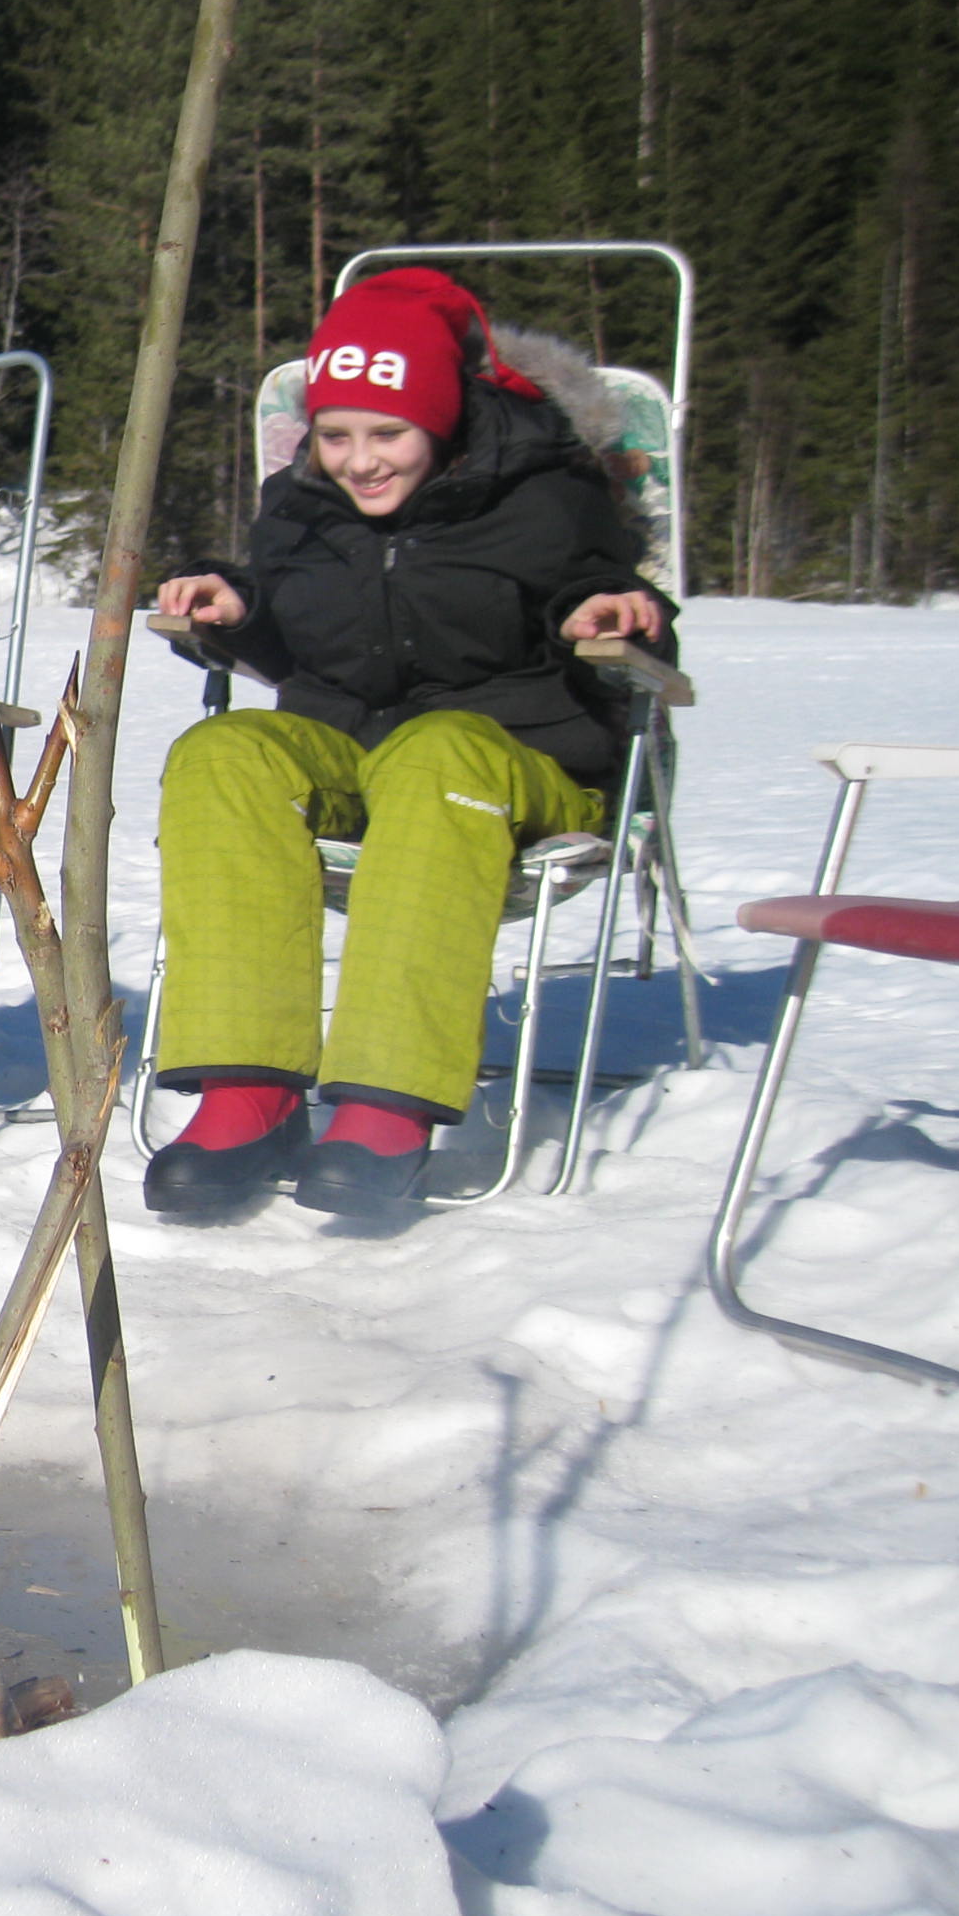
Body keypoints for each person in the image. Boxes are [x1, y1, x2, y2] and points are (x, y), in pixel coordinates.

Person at [142, 266, 673, 1218]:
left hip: (521, 768)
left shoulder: (548, 492)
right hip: (355, 758)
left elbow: (607, 598)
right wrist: (237, 607)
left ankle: (387, 1103)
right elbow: (293, 632)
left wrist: (608, 613)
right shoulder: (299, 505)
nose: (359, 461)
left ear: (442, 416)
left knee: (440, 751)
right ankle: (250, 1094)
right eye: (336, 435)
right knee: (222, 756)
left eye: (387, 433)